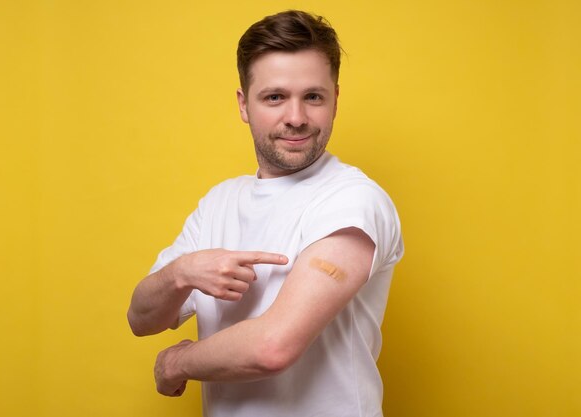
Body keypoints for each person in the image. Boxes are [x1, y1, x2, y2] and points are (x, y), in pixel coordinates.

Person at [127, 9, 404, 417]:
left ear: (335, 99)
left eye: (313, 96)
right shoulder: (219, 202)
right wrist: (182, 272)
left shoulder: (352, 201)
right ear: (244, 104)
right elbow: (142, 318)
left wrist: (176, 363)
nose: (296, 118)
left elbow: (273, 346)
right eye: (275, 97)